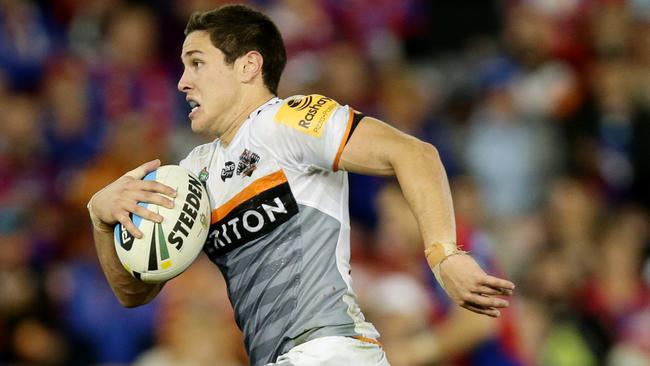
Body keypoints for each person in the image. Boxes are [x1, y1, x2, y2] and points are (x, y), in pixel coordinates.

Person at [86, 4, 515, 366]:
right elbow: (135, 292)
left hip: (331, 351)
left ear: (248, 66)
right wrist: (102, 222)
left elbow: (415, 154)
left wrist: (444, 256)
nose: (182, 81)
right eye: (182, 66)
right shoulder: (194, 173)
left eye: (197, 62)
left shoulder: (286, 120)